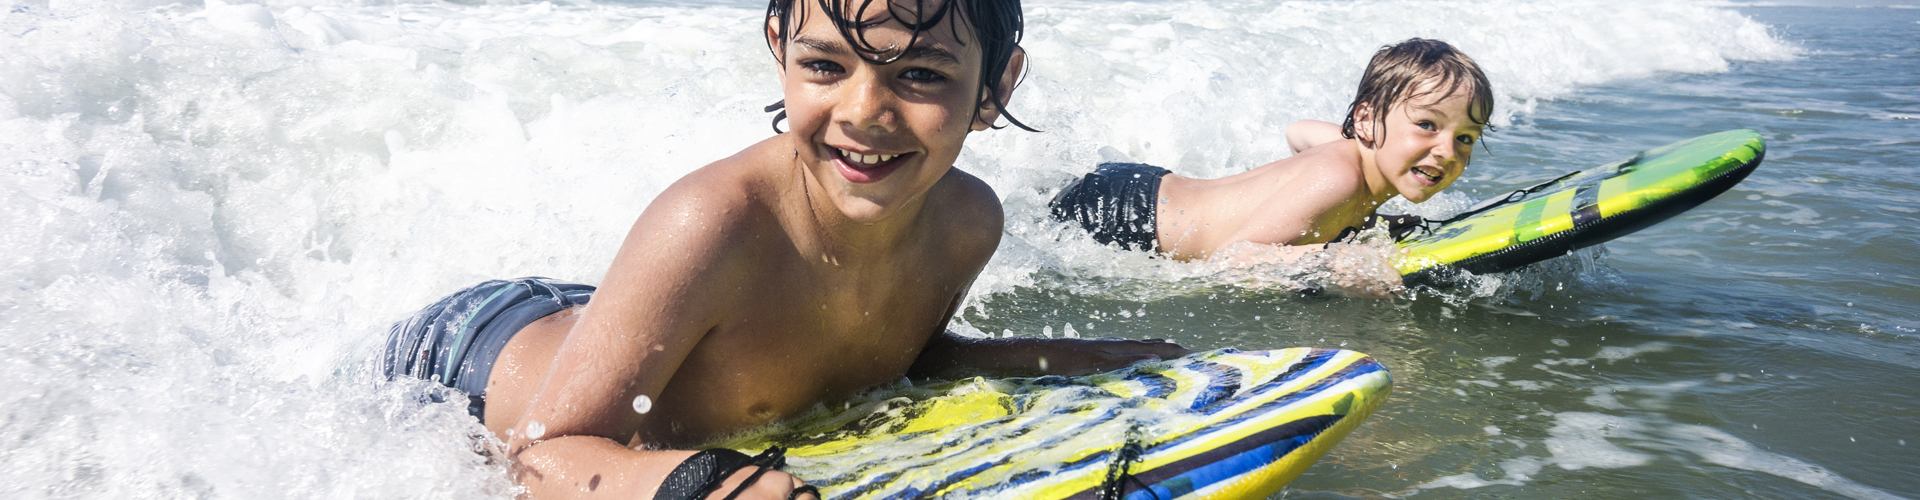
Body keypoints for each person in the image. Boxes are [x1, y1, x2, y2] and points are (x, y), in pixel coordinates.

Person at [380, 0, 1190, 499]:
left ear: (997, 85)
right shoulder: (713, 221)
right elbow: (536, 461)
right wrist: (702, 485)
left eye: (920, 75)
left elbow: (884, 361)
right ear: (779, 47)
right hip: (463, 358)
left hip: (641, 321)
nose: (863, 112)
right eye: (824, 65)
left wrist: (1066, 362)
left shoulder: (967, 222)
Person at [1049, 38, 1494, 295]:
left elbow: (1299, 131)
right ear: (1366, 119)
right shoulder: (1337, 177)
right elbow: (1231, 262)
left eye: (1465, 138)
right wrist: (1339, 260)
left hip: (1143, 182)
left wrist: (1366, 216)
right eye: (1426, 125)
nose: (1446, 150)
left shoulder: (1356, 156)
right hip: (1123, 215)